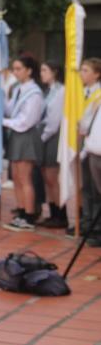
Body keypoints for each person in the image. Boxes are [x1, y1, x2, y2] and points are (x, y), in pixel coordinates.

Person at [2, 56, 45, 231]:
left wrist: (3, 122)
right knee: (17, 177)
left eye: (19, 68)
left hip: (26, 135)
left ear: (29, 70)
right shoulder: (19, 89)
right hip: (16, 135)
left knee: (25, 177)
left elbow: (27, 120)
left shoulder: (34, 93)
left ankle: (29, 215)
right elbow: (11, 110)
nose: (15, 72)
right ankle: (20, 211)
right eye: (14, 69)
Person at [37, 61, 66, 227]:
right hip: (45, 134)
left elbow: (54, 120)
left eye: (45, 70)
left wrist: (43, 137)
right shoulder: (48, 90)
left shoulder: (60, 91)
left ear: (54, 72)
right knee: (47, 177)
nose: (42, 73)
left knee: (52, 177)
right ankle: (53, 212)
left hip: (52, 136)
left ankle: (61, 215)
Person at [78, 58, 101, 245]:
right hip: (86, 145)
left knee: (95, 191)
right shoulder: (81, 92)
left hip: (93, 145)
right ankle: (86, 224)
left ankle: (95, 228)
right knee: (86, 188)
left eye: (86, 70)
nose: (81, 74)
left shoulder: (98, 95)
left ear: (97, 73)